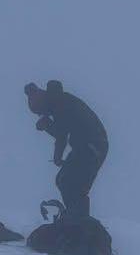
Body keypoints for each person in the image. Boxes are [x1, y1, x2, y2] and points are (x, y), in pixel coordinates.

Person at [25, 80, 109, 221]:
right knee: (66, 181)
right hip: (89, 146)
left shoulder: (59, 102)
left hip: (91, 146)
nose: (43, 115)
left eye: (40, 112)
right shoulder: (58, 100)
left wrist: (47, 127)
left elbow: (62, 134)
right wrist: (48, 125)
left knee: (69, 182)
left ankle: (78, 221)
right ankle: (77, 220)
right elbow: (62, 130)